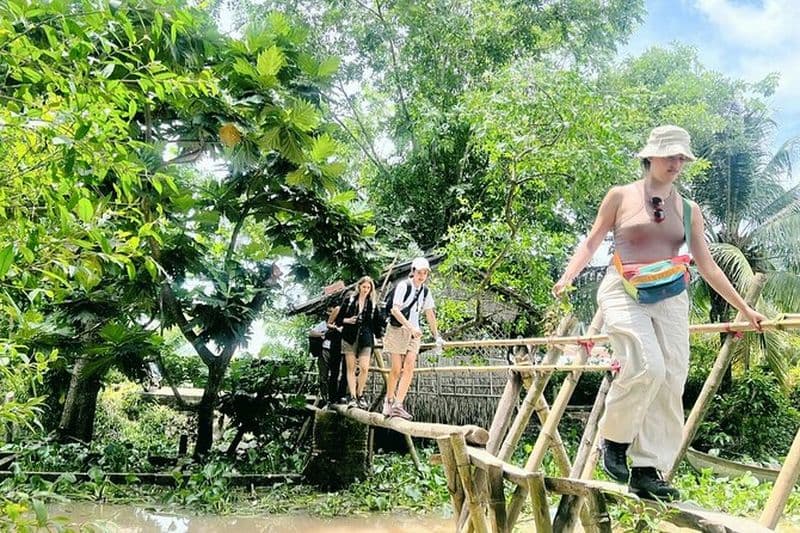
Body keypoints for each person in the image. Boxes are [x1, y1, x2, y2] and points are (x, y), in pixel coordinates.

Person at [552, 125, 765, 500]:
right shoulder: (620, 196)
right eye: (670, 155)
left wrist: (745, 308)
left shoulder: (688, 210)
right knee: (646, 364)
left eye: (682, 157)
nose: (676, 163)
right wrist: (568, 276)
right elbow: (592, 241)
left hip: (671, 295)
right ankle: (614, 440)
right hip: (624, 288)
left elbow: (708, 266)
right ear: (650, 156)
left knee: (671, 378)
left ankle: (648, 470)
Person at [382, 257, 444, 420]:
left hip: (415, 333)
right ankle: (389, 400)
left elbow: (429, 313)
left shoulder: (425, 291)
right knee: (396, 369)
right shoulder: (403, 286)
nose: (422, 275)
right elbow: (395, 310)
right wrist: (410, 327)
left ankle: (398, 404)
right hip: (398, 330)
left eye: (425, 273)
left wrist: (436, 335)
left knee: (409, 366)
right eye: (419, 272)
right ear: (413, 271)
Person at [332, 276, 379, 409]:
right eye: (364, 287)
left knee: (364, 368)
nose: (366, 290)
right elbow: (338, 320)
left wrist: (380, 335)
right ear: (359, 287)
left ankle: (360, 394)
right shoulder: (350, 300)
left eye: (368, 287)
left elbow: (376, 323)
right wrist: (348, 320)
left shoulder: (372, 303)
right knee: (350, 369)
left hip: (366, 337)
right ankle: (352, 396)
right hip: (349, 336)